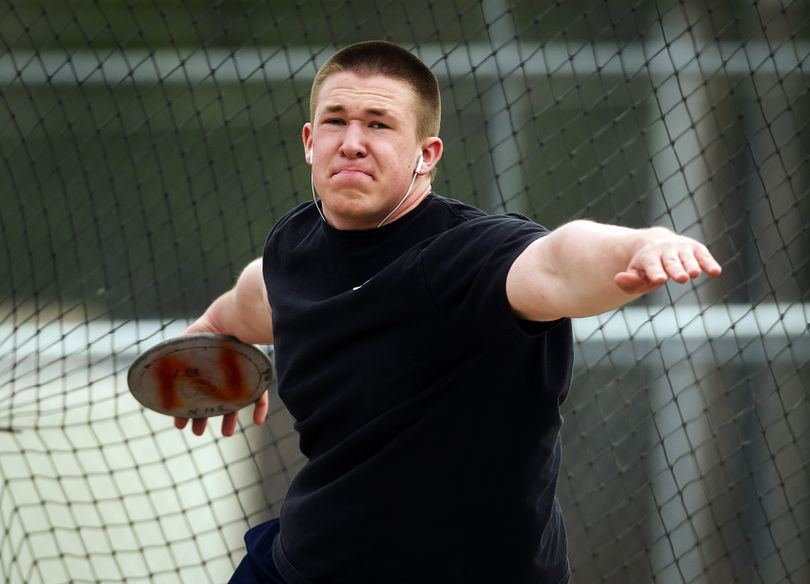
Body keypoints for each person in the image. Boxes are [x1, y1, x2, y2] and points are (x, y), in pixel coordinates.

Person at [174, 40, 722, 584]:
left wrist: (641, 244)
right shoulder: (293, 248)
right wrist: (213, 333)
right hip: (308, 563)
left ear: (426, 154)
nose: (353, 143)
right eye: (336, 122)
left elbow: (558, 259)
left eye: (379, 125)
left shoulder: (464, 257)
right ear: (310, 142)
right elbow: (258, 295)